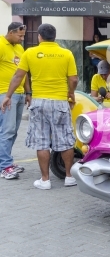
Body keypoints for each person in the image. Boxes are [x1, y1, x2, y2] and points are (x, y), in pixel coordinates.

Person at [1, 24, 78, 189]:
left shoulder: (29, 53)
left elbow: (18, 76)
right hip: (60, 101)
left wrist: (8, 96)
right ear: (54, 37)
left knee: (42, 141)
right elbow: (73, 79)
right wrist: (71, 93)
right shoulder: (67, 53)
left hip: (39, 102)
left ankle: (45, 180)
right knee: (65, 140)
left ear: (39, 36)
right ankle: (69, 177)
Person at [0, 22, 32, 180]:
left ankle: (7, 162)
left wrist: (28, 92)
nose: (22, 38)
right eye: (20, 36)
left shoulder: (20, 48)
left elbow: (23, 72)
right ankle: (4, 166)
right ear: (11, 32)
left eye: (23, 36)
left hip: (19, 94)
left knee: (12, 131)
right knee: (7, 130)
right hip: (5, 94)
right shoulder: (0, 44)